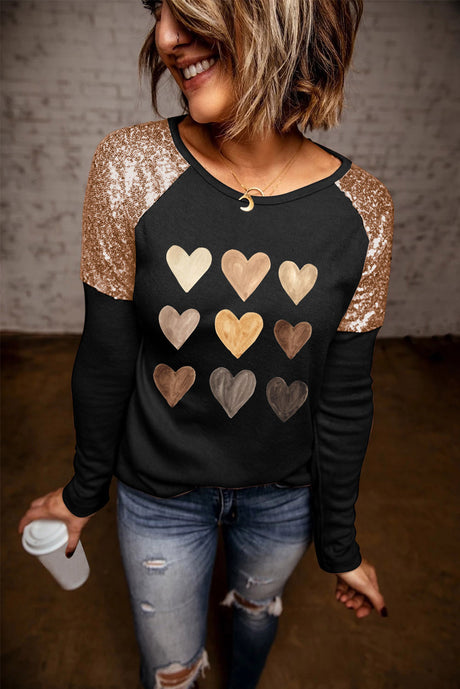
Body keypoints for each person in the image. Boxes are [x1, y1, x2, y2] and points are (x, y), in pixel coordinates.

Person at [18, 0, 394, 687]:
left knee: (255, 614)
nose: (165, 38)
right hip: (157, 496)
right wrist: (84, 491)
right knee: (171, 671)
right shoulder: (130, 166)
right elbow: (105, 356)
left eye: (189, 9)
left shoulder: (363, 209)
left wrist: (340, 546)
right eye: (160, 12)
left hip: (285, 498)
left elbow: (344, 396)